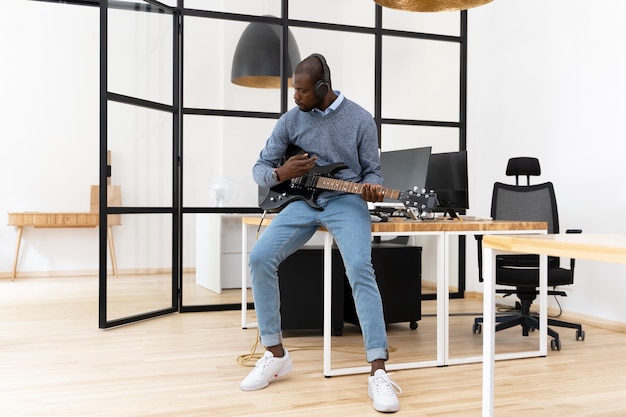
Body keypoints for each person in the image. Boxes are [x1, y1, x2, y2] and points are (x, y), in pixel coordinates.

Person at [240, 53, 402, 413]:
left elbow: (372, 172)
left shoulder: (360, 119)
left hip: (345, 201)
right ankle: (275, 353)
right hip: (301, 202)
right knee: (259, 257)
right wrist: (282, 173)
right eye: (293, 89)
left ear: (322, 88)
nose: (294, 96)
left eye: (300, 91)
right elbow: (260, 167)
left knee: (360, 268)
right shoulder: (290, 120)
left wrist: (372, 188)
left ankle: (378, 369)